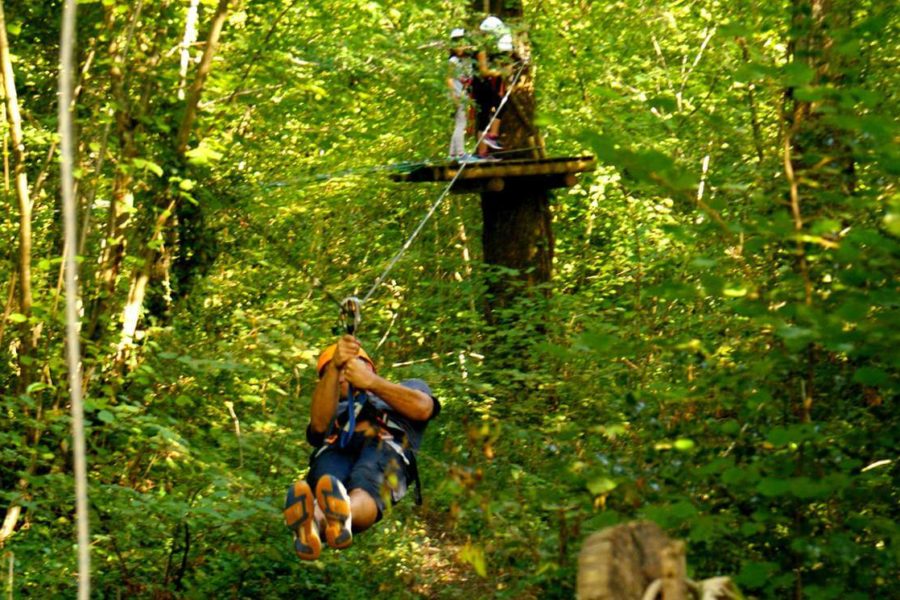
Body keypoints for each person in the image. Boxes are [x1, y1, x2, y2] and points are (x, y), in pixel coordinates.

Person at [283, 335, 440, 561]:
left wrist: (371, 383)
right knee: (328, 481)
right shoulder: (330, 406)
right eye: (330, 373)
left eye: (343, 368)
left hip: (386, 445)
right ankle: (312, 525)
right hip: (336, 447)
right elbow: (318, 427)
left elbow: (424, 408)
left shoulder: (405, 389)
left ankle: (343, 515)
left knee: (368, 480)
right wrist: (335, 366)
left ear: (367, 366)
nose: (339, 377)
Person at [471, 15, 514, 160]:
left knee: (485, 116)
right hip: (479, 85)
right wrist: (501, 72)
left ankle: (483, 153)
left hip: (484, 84)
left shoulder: (489, 49)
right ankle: (492, 136)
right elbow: (483, 71)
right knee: (500, 105)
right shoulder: (481, 50)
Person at [447, 28, 474, 161]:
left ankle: (452, 154)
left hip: (464, 95)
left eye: (462, 44)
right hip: (457, 95)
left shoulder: (467, 61)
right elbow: (449, 78)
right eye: (457, 45)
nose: (460, 47)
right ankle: (461, 154)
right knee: (461, 124)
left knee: (460, 122)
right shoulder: (453, 61)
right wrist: (454, 96)